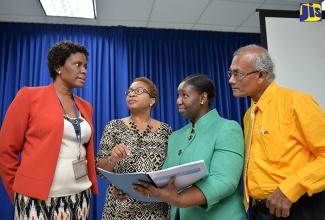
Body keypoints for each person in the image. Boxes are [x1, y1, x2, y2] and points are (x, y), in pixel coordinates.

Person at [0, 41, 98, 219]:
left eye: (85, 66)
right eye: (77, 64)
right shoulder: (29, 96)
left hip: (80, 196)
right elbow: (6, 149)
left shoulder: (86, 106)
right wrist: (19, 190)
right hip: (36, 199)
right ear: (58, 67)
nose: (84, 70)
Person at [228, 44, 325, 220]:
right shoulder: (250, 114)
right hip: (262, 210)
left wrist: (291, 188)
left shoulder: (297, 102)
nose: (231, 80)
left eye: (238, 74)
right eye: (231, 74)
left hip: (297, 206)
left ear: (261, 75)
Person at [133, 74, 246, 220]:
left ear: (203, 98)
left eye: (185, 96)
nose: (178, 101)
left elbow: (225, 181)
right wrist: (132, 190)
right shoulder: (175, 136)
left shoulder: (227, 128)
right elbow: (164, 181)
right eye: (178, 96)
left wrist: (179, 200)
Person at [96, 77, 172, 219]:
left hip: (156, 212)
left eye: (139, 91)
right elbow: (100, 171)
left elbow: (170, 171)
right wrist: (113, 158)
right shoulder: (113, 127)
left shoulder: (166, 131)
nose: (131, 94)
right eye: (129, 91)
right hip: (120, 211)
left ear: (152, 100)